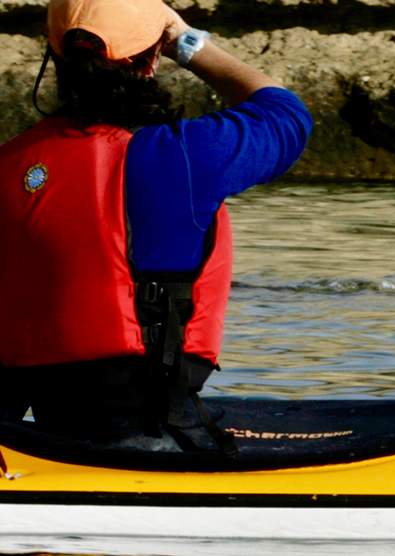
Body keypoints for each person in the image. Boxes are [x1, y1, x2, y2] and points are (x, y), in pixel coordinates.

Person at [0, 0, 311, 453]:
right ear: (151, 59)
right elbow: (286, 114)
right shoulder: (186, 154)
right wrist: (189, 43)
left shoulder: (8, 162)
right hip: (150, 426)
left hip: (39, 417)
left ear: (57, 56)